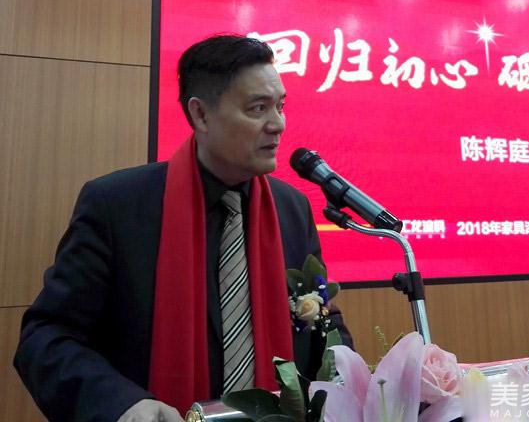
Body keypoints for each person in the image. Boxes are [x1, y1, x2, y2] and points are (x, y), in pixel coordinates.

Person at [14, 35, 352, 422]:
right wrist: (122, 404)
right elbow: (47, 338)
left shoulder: (292, 208)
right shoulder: (117, 206)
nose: (277, 124)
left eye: (280, 106)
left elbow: (322, 325)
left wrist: (352, 387)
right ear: (201, 115)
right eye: (258, 108)